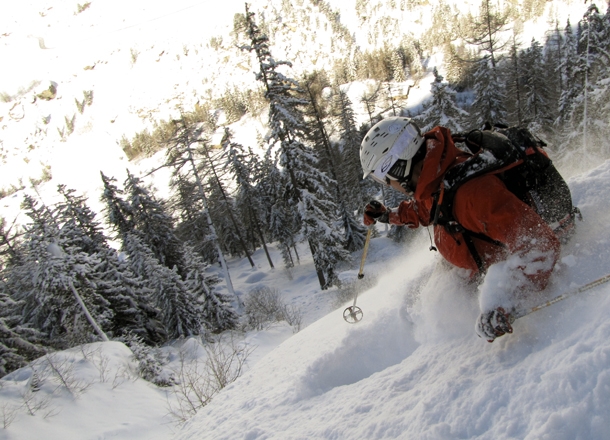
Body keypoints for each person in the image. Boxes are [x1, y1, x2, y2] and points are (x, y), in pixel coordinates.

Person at [360, 116, 562, 342]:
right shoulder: (435, 178)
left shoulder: (472, 194)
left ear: (398, 166)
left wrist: (503, 301)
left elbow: (539, 245)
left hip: (518, 296)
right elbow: (426, 209)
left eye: (382, 176)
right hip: (473, 271)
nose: (387, 184)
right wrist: (387, 215)